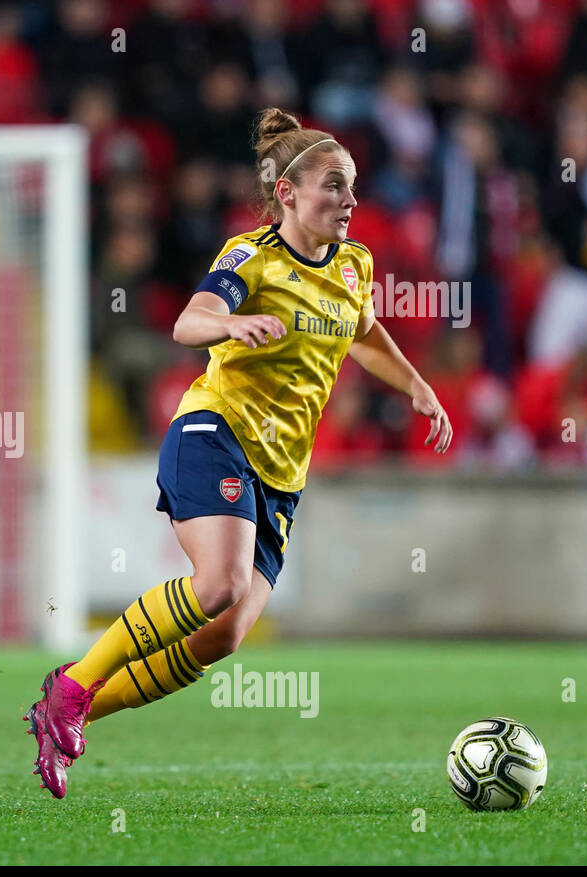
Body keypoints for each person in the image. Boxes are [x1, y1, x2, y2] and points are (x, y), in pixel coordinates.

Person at [26, 108, 453, 798]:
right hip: (215, 433)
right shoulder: (250, 256)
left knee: (222, 636)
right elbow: (187, 320)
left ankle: (64, 712)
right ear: (287, 193)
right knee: (218, 583)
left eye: (351, 188)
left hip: (283, 474)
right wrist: (231, 321)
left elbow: (366, 334)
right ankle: (73, 686)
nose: (348, 201)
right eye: (332, 187)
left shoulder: (354, 264)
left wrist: (418, 386)